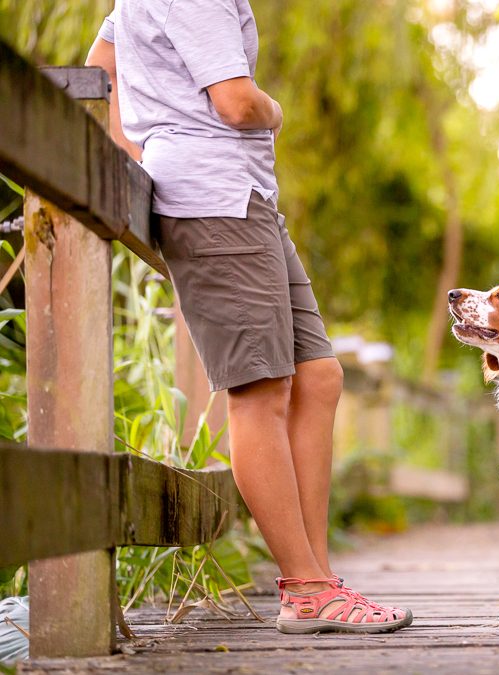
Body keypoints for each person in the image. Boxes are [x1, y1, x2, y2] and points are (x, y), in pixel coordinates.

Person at [86, 0, 412, 634]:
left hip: (243, 196)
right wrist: (273, 112)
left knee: (318, 376)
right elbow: (236, 102)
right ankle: (308, 588)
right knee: (260, 393)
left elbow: (103, 62)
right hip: (214, 199)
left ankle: (313, 583)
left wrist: (142, 154)